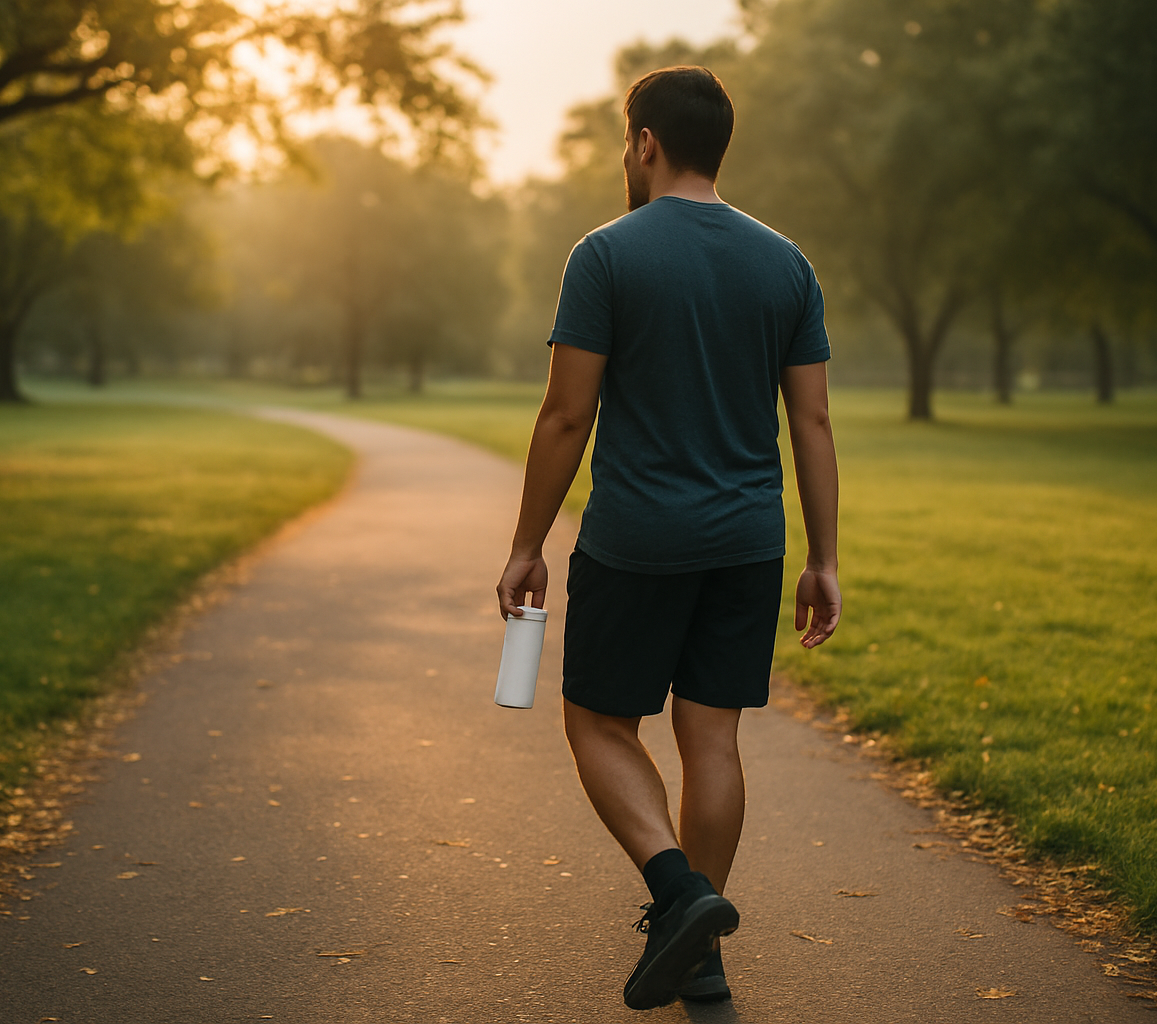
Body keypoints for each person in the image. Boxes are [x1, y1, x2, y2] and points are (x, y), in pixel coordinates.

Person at [495, 65, 841, 1010]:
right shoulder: (787, 263)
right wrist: (823, 557)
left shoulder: (604, 255)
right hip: (747, 543)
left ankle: (679, 894)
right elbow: (811, 423)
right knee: (711, 738)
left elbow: (567, 417)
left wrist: (527, 544)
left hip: (637, 540)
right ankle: (704, 951)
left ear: (644, 141)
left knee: (599, 723)